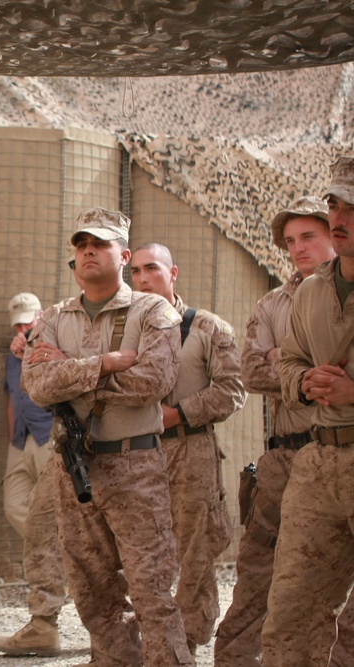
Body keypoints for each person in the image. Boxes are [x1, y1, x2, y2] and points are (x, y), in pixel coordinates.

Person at [23, 207, 193, 666]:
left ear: (124, 255)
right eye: (81, 246)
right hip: (75, 468)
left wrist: (67, 369)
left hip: (135, 465)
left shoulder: (152, 310)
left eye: (99, 244)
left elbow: (151, 382)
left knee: (151, 591)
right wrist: (104, 363)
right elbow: (36, 386)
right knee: (92, 592)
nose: (89, 251)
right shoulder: (56, 316)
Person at [213, 195, 354, 665]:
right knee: (267, 581)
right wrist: (305, 376)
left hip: (333, 443)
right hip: (292, 457)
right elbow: (252, 372)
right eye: (290, 241)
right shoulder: (279, 301)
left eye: (307, 236)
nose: (298, 247)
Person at [129, 242, 245, 656]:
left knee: (195, 550)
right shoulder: (125, 327)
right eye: (136, 271)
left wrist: (179, 413)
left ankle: (191, 640)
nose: (143, 279)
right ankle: (151, 640)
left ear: (173, 273)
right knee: (142, 553)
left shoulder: (208, 328)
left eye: (152, 269)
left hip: (190, 451)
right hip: (136, 455)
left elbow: (233, 390)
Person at [262, 157, 354, 665]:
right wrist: (304, 381)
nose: (340, 218)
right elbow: (289, 361)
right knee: (291, 614)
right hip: (318, 464)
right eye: (335, 205)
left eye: (352, 208)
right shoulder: (314, 289)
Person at [0, 293, 65, 658]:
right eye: (17, 324)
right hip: (20, 441)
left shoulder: (50, 346)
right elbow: (10, 398)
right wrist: (11, 439)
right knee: (15, 506)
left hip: (49, 436)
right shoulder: (10, 358)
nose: (23, 329)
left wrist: (32, 351)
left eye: (28, 323)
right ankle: (60, 555)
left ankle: (53, 580)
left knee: (49, 514)